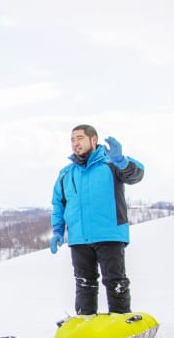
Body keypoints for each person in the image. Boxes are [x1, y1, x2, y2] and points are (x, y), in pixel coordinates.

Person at [50, 124, 144, 315]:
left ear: (94, 140)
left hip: (109, 234)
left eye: (80, 138)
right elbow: (58, 204)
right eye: (72, 140)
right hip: (78, 238)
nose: (75, 143)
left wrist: (121, 160)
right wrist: (58, 230)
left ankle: (121, 321)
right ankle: (86, 323)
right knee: (84, 283)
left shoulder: (112, 164)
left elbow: (136, 175)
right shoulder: (66, 173)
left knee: (115, 281)